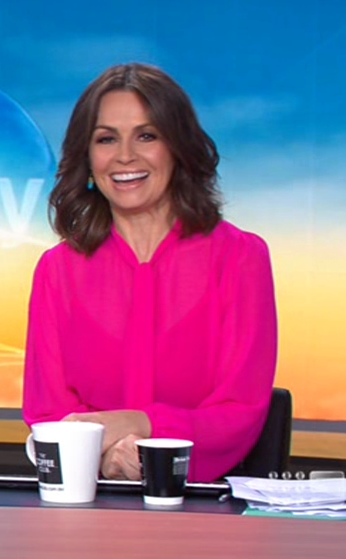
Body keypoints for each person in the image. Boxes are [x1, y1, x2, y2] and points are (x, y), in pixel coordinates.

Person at [22, 63, 277, 483]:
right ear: (87, 157)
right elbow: (48, 412)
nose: (125, 156)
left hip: (203, 503)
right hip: (88, 499)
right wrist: (105, 459)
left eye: (147, 136)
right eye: (106, 139)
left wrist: (142, 427)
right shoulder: (58, 270)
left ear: (177, 147)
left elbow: (239, 411)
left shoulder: (240, 257)